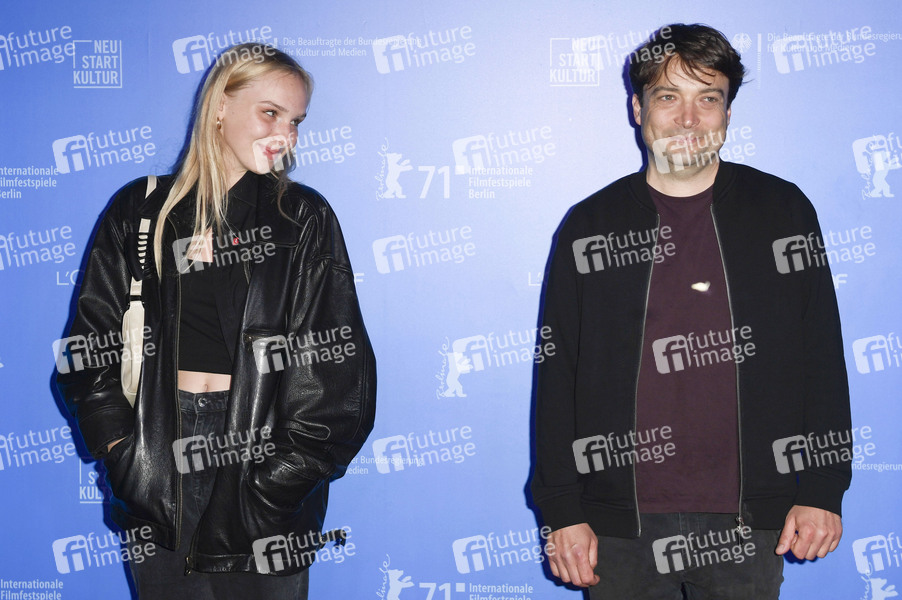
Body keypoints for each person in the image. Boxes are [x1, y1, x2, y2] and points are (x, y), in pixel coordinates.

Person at [531, 24, 851, 599]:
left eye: (708, 98)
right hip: (617, 525)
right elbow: (558, 376)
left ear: (727, 113)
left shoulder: (783, 212)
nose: (688, 118)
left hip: (750, 522)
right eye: (667, 96)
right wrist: (561, 509)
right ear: (638, 109)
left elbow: (821, 357)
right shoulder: (590, 226)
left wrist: (824, 488)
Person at [58, 42, 376, 599]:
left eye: (296, 121)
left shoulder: (302, 217)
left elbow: (337, 370)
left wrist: (281, 481)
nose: (285, 134)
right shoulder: (141, 210)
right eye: (270, 113)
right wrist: (120, 450)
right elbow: (89, 346)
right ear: (220, 107)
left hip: (263, 457)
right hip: (156, 455)